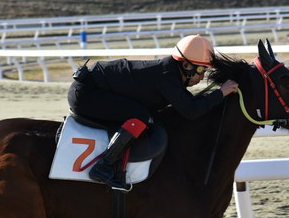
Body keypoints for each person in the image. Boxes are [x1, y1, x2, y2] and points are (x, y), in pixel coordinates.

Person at [67, 34, 238, 191]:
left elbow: (190, 104)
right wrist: (221, 93)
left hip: (92, 88)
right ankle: (103, 167)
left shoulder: (170, 72)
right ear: (186, 65)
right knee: (141, 116)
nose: (201, 77)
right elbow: (191, 111)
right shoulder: (167, 76)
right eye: (201, 70)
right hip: (86, 94)